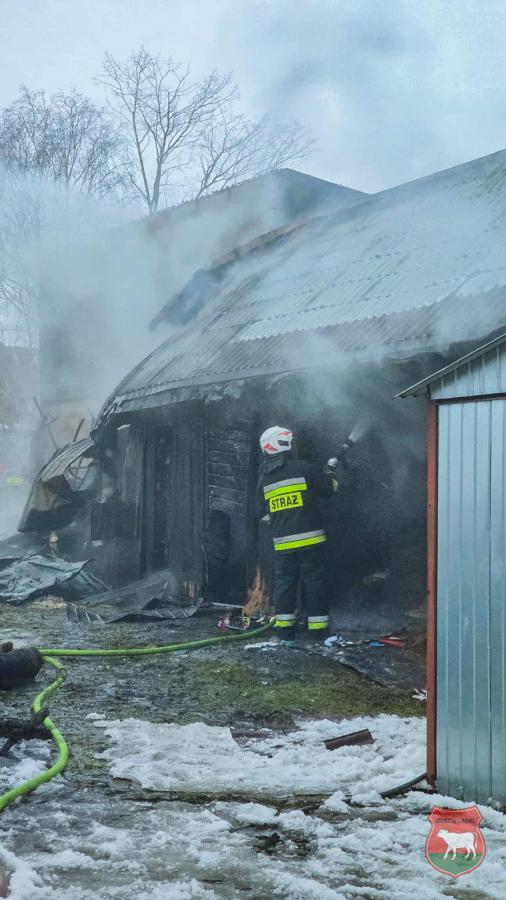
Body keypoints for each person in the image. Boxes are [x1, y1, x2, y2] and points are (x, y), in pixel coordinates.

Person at [255, 425, 338, 643]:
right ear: (284, 444)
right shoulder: (303, 468)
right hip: (311, 540)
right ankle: (318, 633)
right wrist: (330, 474)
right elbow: (329, 490)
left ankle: (285, 634)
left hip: (283, 544)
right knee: (314, 583)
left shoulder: (264, 479)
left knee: (285, 585)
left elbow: (259, 511)